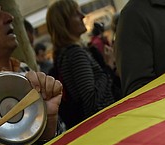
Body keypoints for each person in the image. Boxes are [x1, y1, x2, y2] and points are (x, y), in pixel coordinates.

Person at [47, 0, 120, 128]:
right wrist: (108, 66)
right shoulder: (75, 54)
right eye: (75, 14)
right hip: (103, 123)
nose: (83, 16)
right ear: (63, 24)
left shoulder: (65, 53)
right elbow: (92, 99)